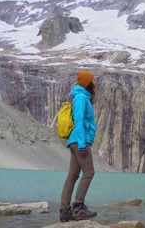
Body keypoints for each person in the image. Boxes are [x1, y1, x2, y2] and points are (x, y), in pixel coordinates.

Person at [59, 71, 98, 222]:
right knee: (89, 172)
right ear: (88, 82)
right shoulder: (81, 98)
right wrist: (82, 144)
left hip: (76, 141)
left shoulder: (82, 97)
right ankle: (78, 207)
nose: (96, 82)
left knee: (73, 175)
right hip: (79, 141)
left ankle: (64, 210)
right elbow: (79, 120)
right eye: (94, 80)